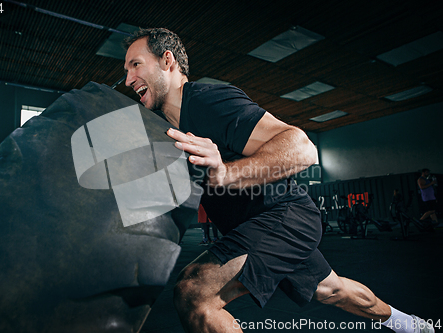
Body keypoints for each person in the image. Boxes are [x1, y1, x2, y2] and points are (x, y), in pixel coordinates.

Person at [123, 28, 434, 333]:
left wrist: (227, 172)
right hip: (254, 228)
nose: (128, 79)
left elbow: (302, 148)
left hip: (284, 217)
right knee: (333, 290)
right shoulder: (167, 132)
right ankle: (408, 324)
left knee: (194, 293)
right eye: (126, 70)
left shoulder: (207, 102)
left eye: (136, 64)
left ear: (168, 61)